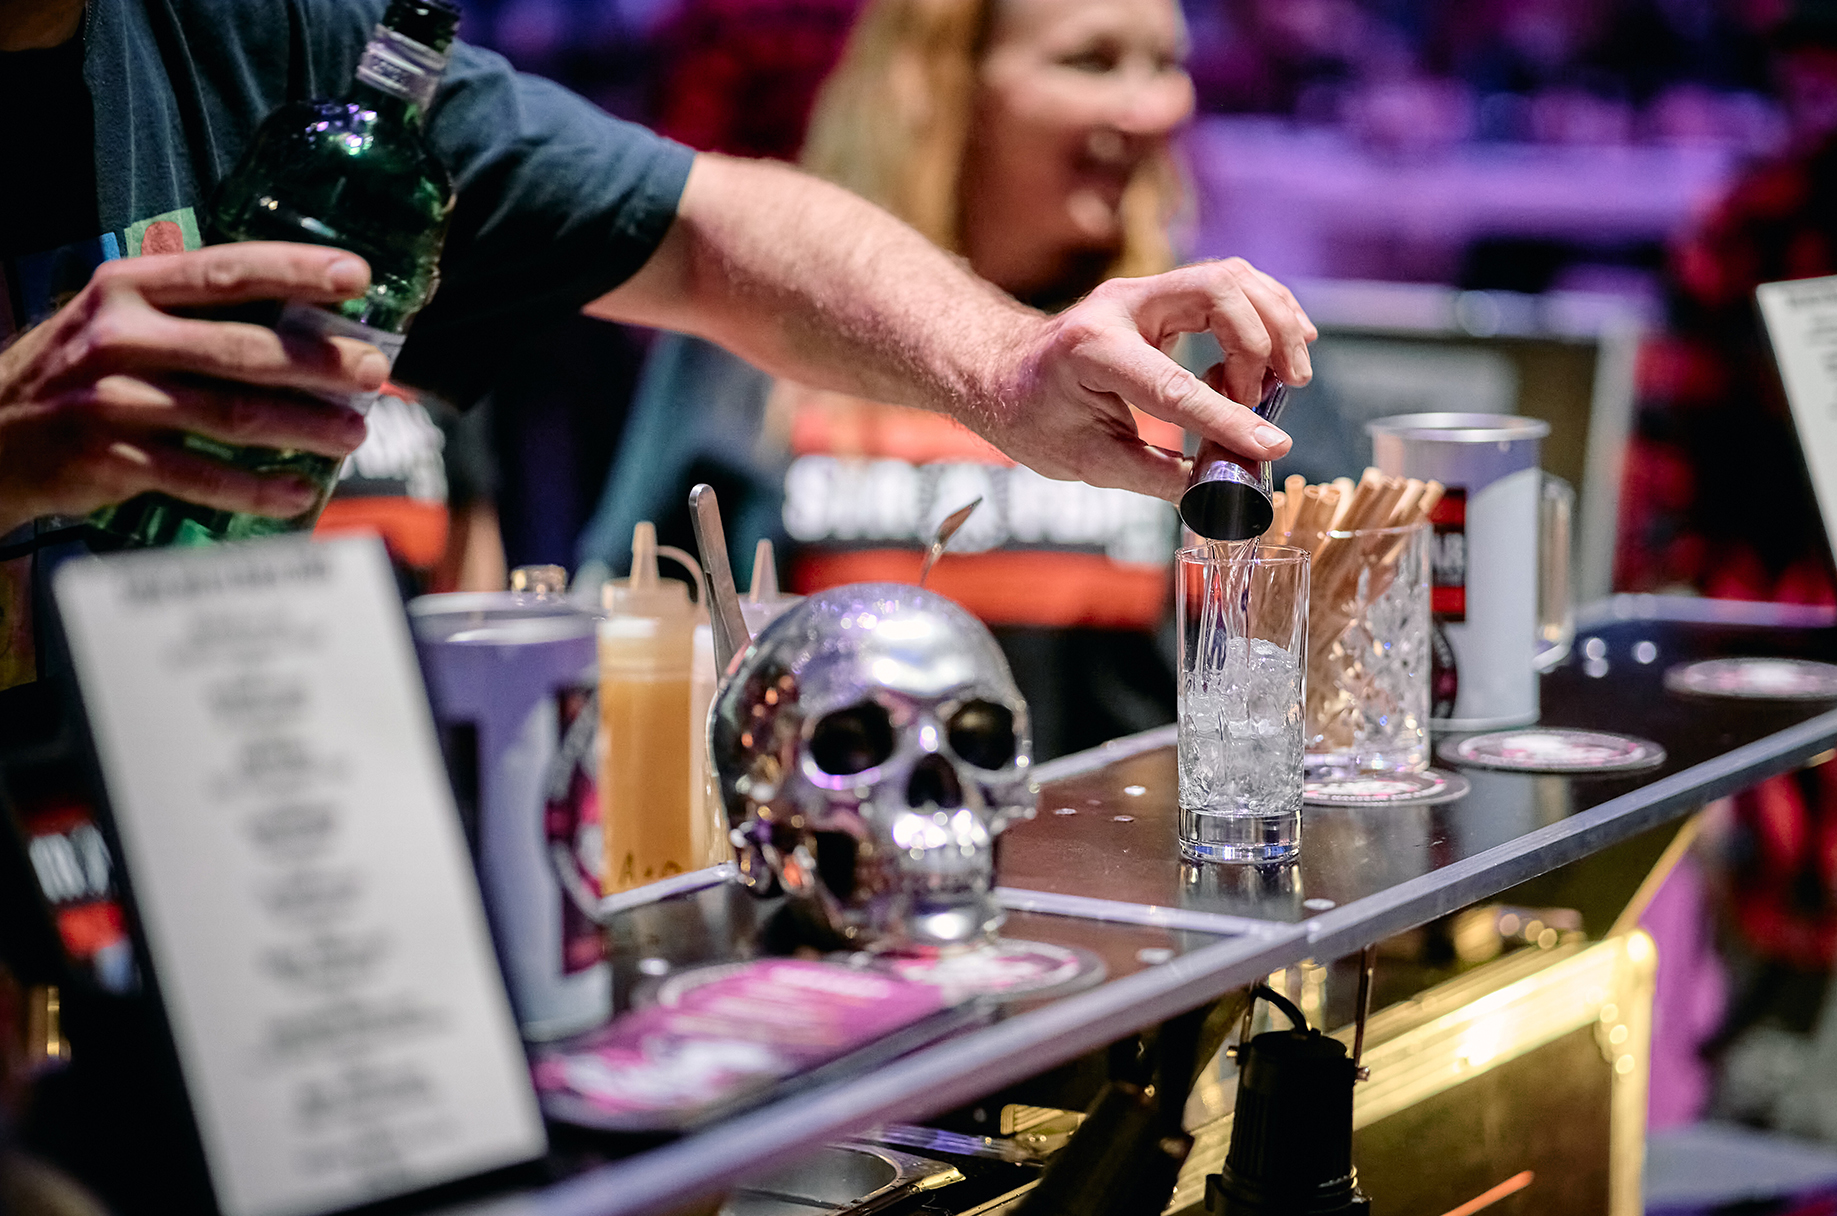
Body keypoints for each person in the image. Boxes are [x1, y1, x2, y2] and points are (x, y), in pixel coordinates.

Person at [0, 0, 1313, 748]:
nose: (1151, 107)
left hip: (210, 815)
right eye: (1092, 60)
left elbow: (701, 225)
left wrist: (1006, 361)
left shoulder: (254, 30)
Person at [579, 0, 1264, 753]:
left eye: (1166, 63)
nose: (1159, 106)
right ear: (938, 82)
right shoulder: (760, 325)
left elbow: (1292, 654)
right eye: (1091, 61)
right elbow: (628, 637)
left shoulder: (1204, 351)